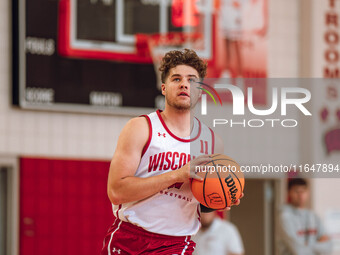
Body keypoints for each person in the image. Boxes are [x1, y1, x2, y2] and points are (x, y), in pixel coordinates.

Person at [101, 49, 242, 255]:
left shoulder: (212, 142)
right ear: (164, 88)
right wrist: (178, 174)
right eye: (177, 79)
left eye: (192, 80)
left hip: (175, 244)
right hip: (130, 238)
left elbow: (200, 204)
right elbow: (116, 191)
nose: (184, 84)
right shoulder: (141, 128)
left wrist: (222, 197)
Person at [278, 178, 333, 255]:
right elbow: (298, 251)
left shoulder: (314, 216)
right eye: (296, 191)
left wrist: (307, 245)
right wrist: (318, 244)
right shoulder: (285, 217)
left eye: (303, 191)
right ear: (289, 193)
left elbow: (328, 247)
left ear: (308, 193)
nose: (300, 195)